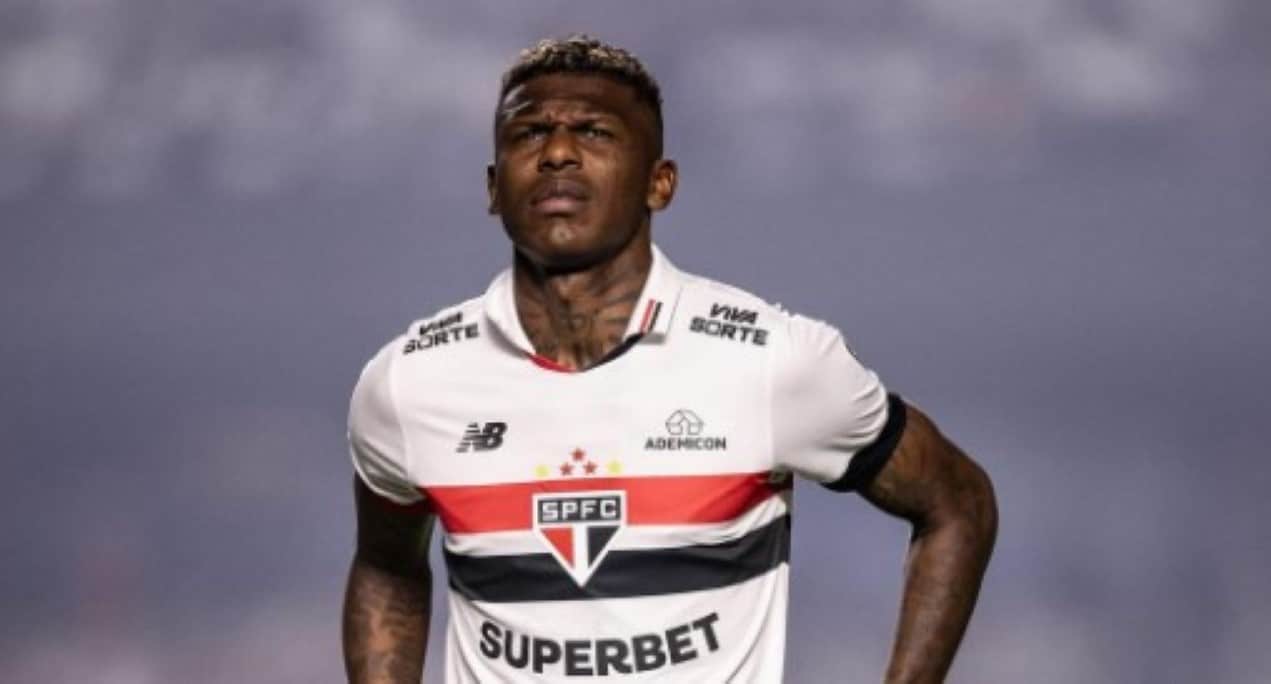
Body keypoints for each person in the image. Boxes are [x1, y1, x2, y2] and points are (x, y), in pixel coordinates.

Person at [342, 35, 997, 683]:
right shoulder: (410, 383)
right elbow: (385, 568)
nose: (558, 152)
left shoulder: (773, 362)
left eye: (594, 132)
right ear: (493, 187)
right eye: (529, 133)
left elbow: (958, 505)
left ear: (660, 184)